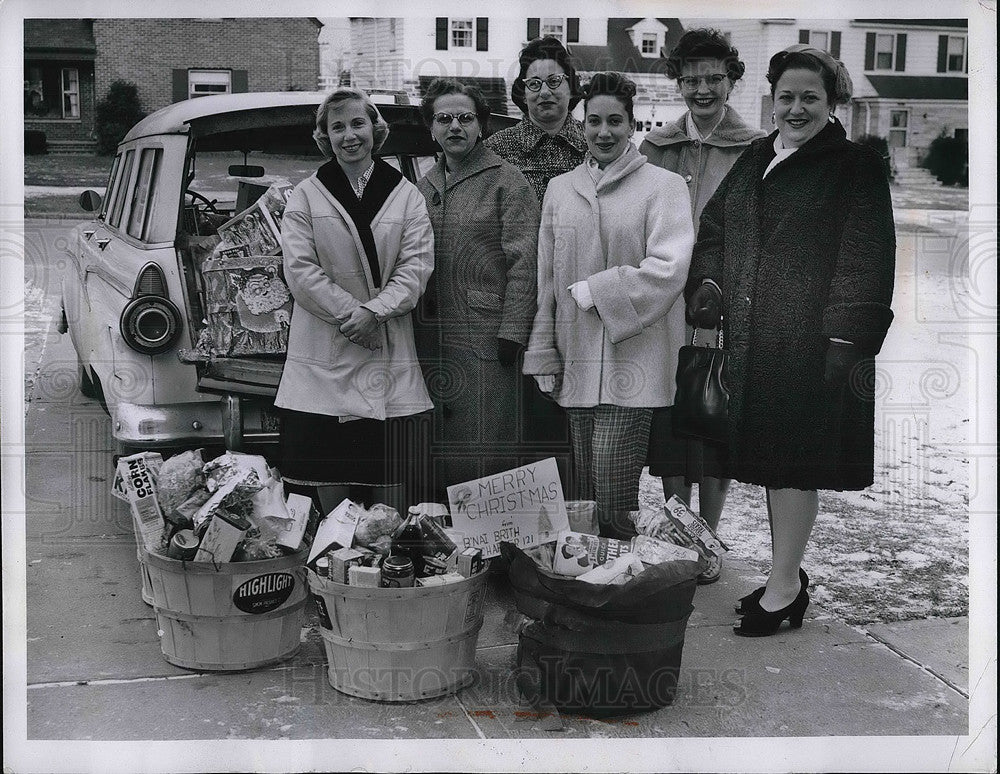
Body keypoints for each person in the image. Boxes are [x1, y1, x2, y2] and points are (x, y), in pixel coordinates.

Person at [687, 45, 895, 636]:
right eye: (787, 97)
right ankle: (787, 576)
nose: (797, 108)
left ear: (832, 103)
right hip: (756, 340)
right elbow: (716, 228)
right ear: (770, 100)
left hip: (816, 345)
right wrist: (709, 284)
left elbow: (868, 254)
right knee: (774, 462)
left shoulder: (853, 166)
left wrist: (846, 338)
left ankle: (783, 587)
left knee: (795, 465)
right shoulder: (758, 155)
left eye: (810, 98)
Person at [523, 72, 694, 540]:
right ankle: (587, 590)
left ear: (632, 125)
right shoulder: (560, 189)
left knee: (615, 498)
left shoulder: (664, 186)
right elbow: (547, 278)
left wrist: (600, 290)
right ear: (582, 122)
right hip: (575, 362)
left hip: (633, 362)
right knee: (581, 498)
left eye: (615, 121)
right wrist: (541, 351)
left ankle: (618, 595)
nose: (603, 132)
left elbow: (669, 268)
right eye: (594, 120)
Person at [639, 28, 766, 586]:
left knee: (714, 415)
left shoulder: (755, 148)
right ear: (678, 82)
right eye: (691, 79)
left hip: (726, 302)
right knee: (672, 418)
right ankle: (680, 528)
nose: (703, 89)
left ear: (732, 79)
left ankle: (708, 537)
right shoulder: (657, 147)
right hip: (664, 302)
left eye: (714, 78)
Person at [274, 87, 435, 517]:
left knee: (389, 506)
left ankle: (382, 581)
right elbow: (300, 271)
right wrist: (353, 316)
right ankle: (336, 574)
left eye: (358, 123)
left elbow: (416, 268)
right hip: (322, 358)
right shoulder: (305, 195)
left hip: (386, 348)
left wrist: (374, 312)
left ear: (375, 129)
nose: (349, 135)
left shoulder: (407, 196)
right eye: (337, 126)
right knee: (331, 502)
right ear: (325, 136)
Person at [415, 78, 540, 496]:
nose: (455, 127)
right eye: (444, 118)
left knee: (486, 447)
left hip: (487, 339)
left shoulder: (507, 180)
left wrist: (512, 332)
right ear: (431, 128)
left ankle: (492, 553)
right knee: (440, 450)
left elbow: (527, 262)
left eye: (465, 118)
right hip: (432, 339)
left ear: (481, 125)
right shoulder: (425, 185)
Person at [486, 35, 587, 495]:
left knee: (578, 415)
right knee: (521, 417)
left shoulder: (597, 143)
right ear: (520, 92)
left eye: (555, 82)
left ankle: (580, 515)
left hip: (581, 298)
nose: (545, 93)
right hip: (515, 300)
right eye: (533, 84)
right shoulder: (497, 149)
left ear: (571, 87)